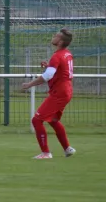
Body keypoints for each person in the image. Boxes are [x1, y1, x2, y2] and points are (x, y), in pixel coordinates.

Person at [22, 28, 76, 159]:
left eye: (56, 36)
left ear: (60, 41)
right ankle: (67, 149)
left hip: (59, 93)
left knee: (36, 120)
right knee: (53, 120)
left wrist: (30, 84)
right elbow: (59, 71)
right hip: (66, 91)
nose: (53, 37)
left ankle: (46, 153)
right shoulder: (66, 54)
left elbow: (47, 76)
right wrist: (49, 66)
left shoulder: (57, 56)